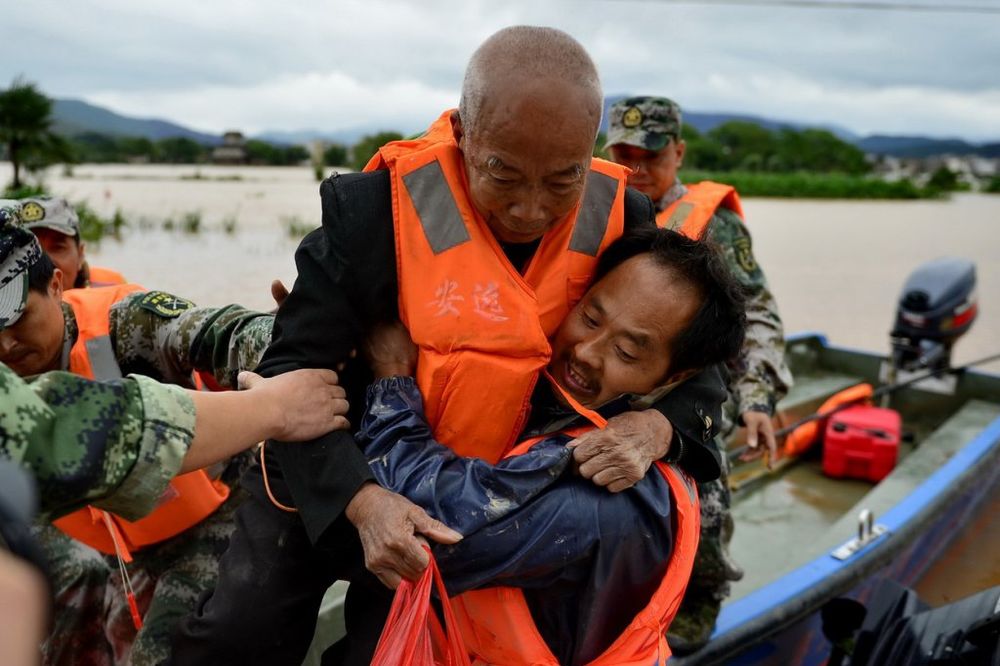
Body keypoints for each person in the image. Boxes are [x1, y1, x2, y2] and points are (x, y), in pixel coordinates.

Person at [174, 26, 728, 665]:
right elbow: (292, 367)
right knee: (237, 635)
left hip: (462, 502)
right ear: (464, 134)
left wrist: (656, 425)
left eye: (562, 180)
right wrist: (361, 499)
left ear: (592, 152)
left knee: (385, 653)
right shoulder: (372, 211)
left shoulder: (621, 216)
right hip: (334, 473)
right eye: (504, 173)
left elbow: (693, 365)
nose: (529, 209)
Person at [353, 227, 747, 665]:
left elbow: (434, 529)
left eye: (628, 353)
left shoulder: (609, 483)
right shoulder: (582, 408)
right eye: (590, 318)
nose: (585, 352)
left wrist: (390, 380)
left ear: (674, 378)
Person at [0, 212, 279, 666]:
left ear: (54, 286)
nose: (7, 345)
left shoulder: (125, 324)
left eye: (18, 320)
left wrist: (282, 346)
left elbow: (215, 331)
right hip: (116, 548)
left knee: (158, 656)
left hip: (215, 520)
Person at [0, 362, 347, 666]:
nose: (12, 340)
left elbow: (208, 332)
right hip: (129, 554)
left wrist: (275, 382)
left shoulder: (117, 319)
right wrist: (273, 408)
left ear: (56, 285)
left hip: (212, 522)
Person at [605, 96, 794, 651]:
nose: (636, 168)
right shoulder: (597, 207)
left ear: (679, 152)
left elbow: (756, 311)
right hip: (619, 376)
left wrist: (757, 399)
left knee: (703, 493)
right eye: (623, 153)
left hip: (696, 388)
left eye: (651, 155)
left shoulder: (718, 224)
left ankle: (700, 598)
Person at [0, 196, 126, 289]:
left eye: (58, 248)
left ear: (80, 254)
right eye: (28, 250)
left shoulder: (115, 300)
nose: (45, 262)